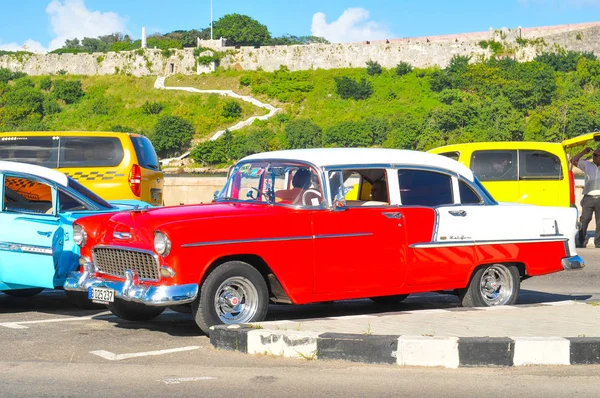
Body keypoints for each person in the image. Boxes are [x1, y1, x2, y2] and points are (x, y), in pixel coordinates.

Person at [572, 147, 600, 247]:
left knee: (599, 222)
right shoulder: (587, 165)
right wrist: (583, 152)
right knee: (584, 219)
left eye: (596, 155)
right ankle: (581, 241)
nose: (594, 157)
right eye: (593, 154)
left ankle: (598, 243)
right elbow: (573, 161)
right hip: (588, 197)